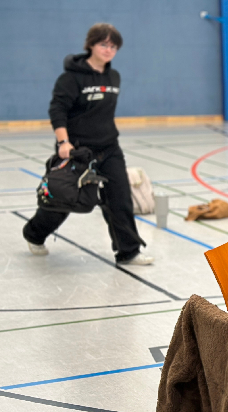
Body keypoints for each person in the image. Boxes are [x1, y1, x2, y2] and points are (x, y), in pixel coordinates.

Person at [23, 23, 152, 265]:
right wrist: (64, 142)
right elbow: (57, 109)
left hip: (109, 148)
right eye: (103, 44)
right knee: (63, 201)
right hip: (76, 150)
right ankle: (34, 233)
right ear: (91, 45)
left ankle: (128, 251)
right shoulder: (70, 78)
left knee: (119, 199)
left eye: (113, 46)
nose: (108, 50)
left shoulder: (114, 76)